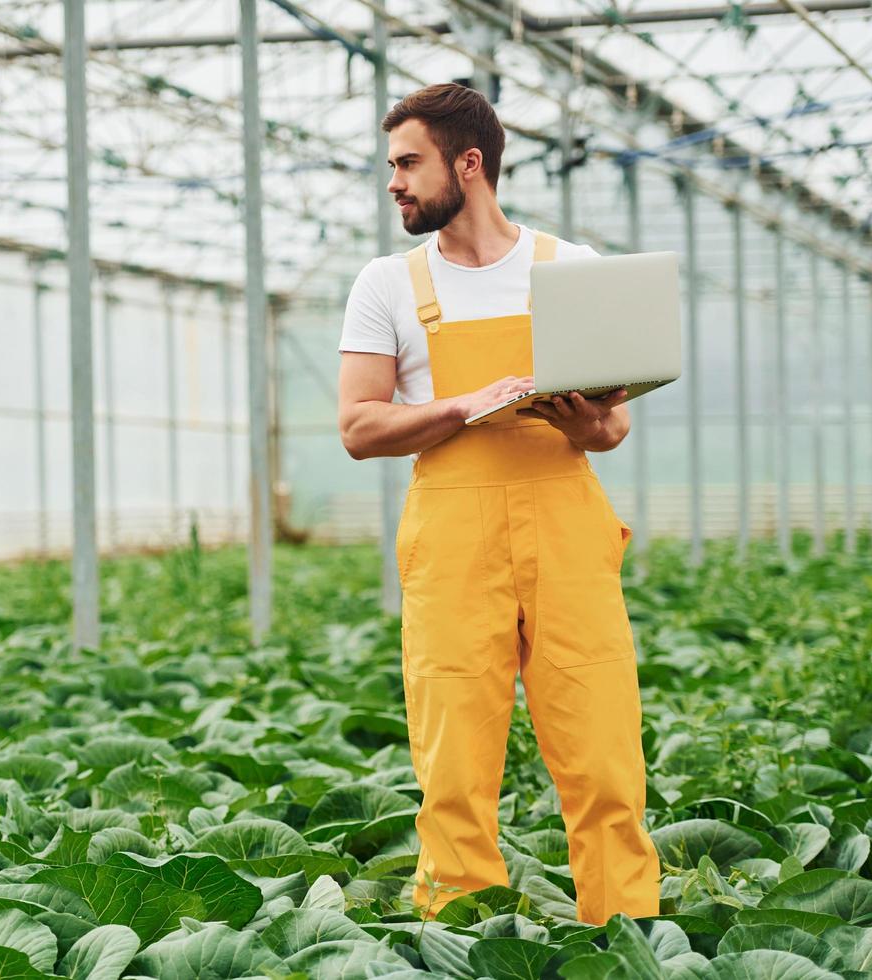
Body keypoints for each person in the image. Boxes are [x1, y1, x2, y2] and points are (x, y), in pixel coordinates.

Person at [335, 81, 661, 925]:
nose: (393, 182)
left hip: (563, 526)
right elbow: (360, 426)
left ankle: (621, 940)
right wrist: (463, 405)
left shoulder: (570, 270)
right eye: (390, 166)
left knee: (603, 764)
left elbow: (612, 428)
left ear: (468, 164)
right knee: (453, 772)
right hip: (452, 537)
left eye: (407, 163)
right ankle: (465, 941)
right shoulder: (387, 285)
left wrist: (586, 419)